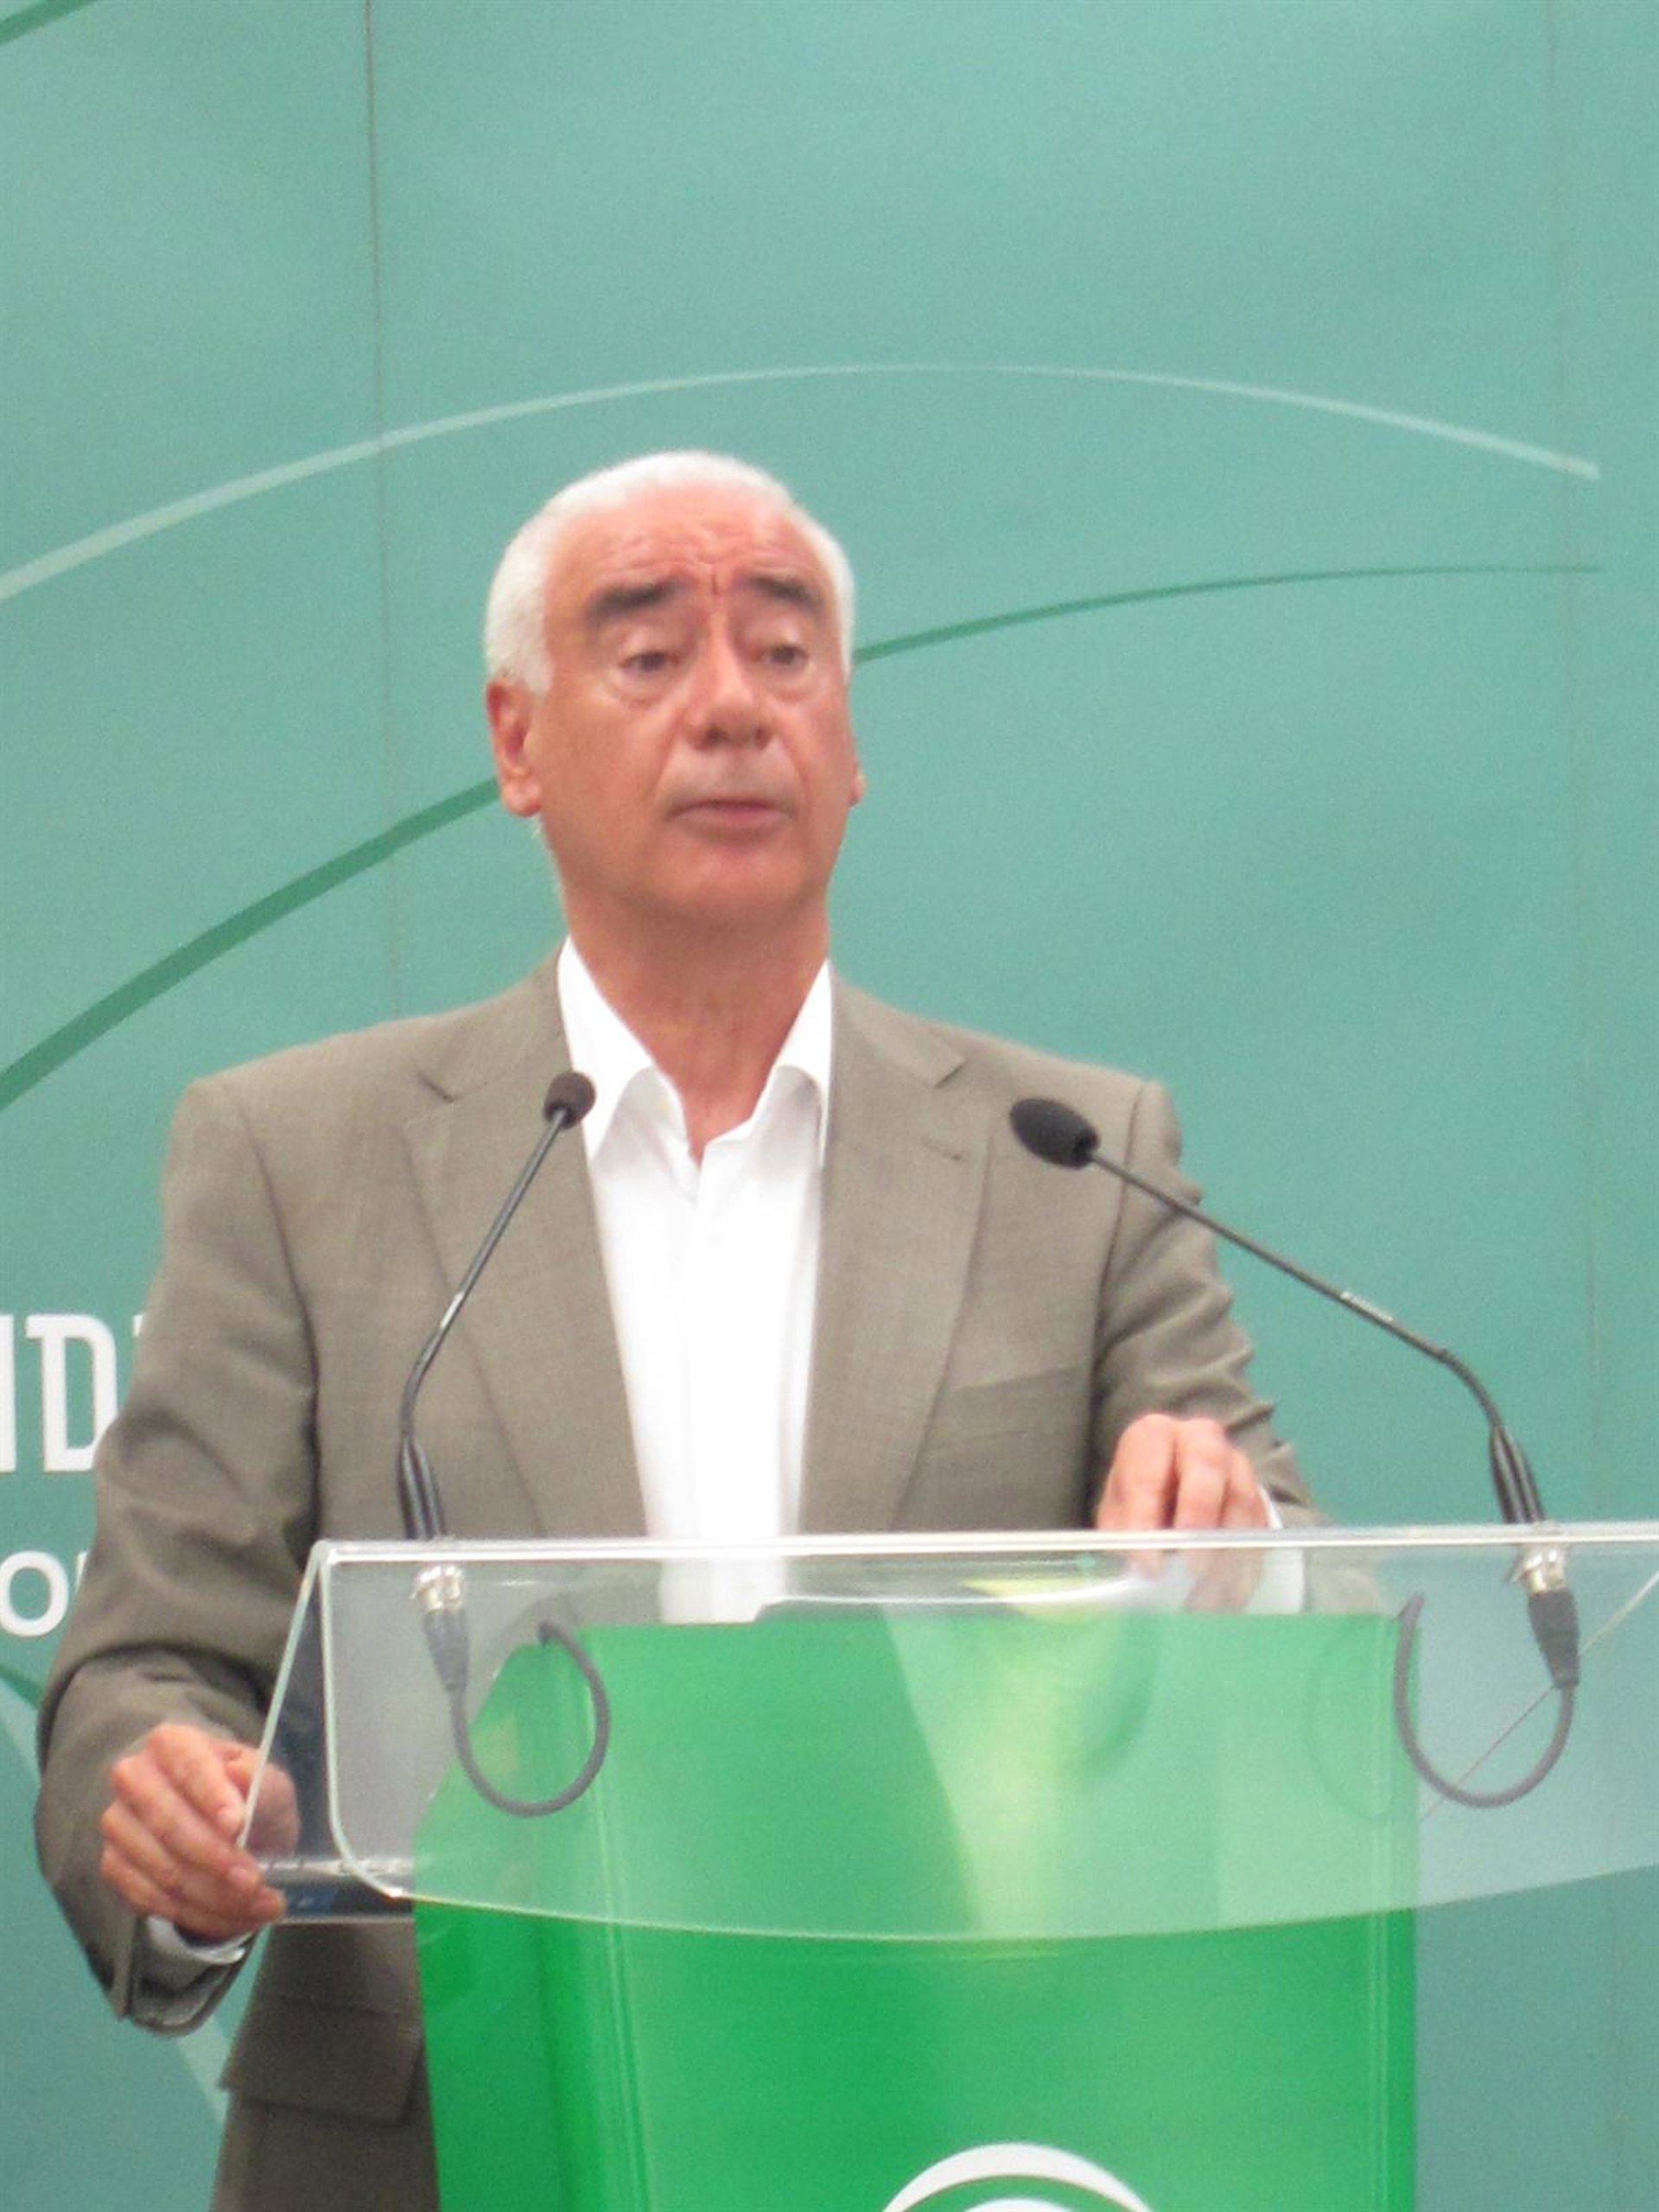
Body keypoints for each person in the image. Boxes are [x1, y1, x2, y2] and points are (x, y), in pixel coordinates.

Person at [36, 451, 1312, 2209]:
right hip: (442, 2141)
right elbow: (147, 1666)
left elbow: (1300, 1582)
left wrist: (1234, 1549)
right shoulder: (296, 1156)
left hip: (951, 2115)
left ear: (850, 743)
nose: (731, 708)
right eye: (647, 656)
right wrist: (178, 1807)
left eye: (785, 654)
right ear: (517, 742)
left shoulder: (1074, 1158)